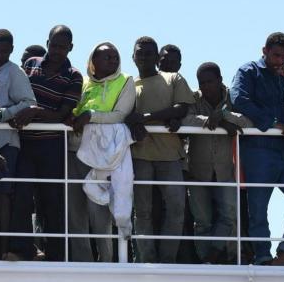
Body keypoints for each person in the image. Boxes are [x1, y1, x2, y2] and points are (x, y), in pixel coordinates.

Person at [230, 32, 284, 265]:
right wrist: (271, 123)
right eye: (276, 55)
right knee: (258, 207)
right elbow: (238, 98)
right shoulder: (248, 71)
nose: (280, 60)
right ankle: (262, 257)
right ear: (264, 51)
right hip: (259, 148)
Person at [10, 25, 84, 262]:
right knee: (21, 199)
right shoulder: (30, 64)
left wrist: (33, 111)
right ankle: (24, 250)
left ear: (70, 48)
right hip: (25, 144)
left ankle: (55, 255)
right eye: (54, 45)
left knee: (52, 202)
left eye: (63, 46)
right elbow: (16, 95)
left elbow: (61, 114)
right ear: (47, 42)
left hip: (52, 146)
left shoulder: (74, 75)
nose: (57, 50)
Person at [126, 36, 195, 263]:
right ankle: (147, 260)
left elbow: (182, 108)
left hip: (170, 155)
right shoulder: (127, 85)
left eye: (148, 53)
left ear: (157, 57)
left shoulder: (172, 78)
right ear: (133, 56)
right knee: (142, 211)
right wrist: (134, 124)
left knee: (176, 209)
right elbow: (124, 116)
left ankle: (167, 260)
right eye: (140, 53)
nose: (144, 57)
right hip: (140, 155)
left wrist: (147, 118)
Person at [69, 42, 137, 262]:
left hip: (103, 157)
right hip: (75, 150)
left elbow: (120, 115)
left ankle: (107, 261)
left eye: (115, 56)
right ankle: (83, 261)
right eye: (107, 57)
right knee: (75, 212)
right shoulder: (84, 84)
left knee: (100, 212)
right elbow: (73, 113)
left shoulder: (125, 81)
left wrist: (91, 115)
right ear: (93, 61)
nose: (113, 60)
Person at [182, 62, 251, 263]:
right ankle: (206, 260)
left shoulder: (233, 97)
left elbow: (249, 121)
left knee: (229, 215)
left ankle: (217, 253)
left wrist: (225, 115)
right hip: (197, 170)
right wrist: (211, 120)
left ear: (220, 79)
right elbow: (184, 119)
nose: (205, 86)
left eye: (209, 81)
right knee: (201, 220)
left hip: (225, 170)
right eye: (201, 82)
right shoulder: (194, 98)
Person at [0, 29, 37, 260]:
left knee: (5, 196)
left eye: (6, 49)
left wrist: (3, 114)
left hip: (7, 144)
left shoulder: (14, 72)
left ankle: (7, 250)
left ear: (12, 50)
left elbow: (29, 103)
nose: (1, 53)